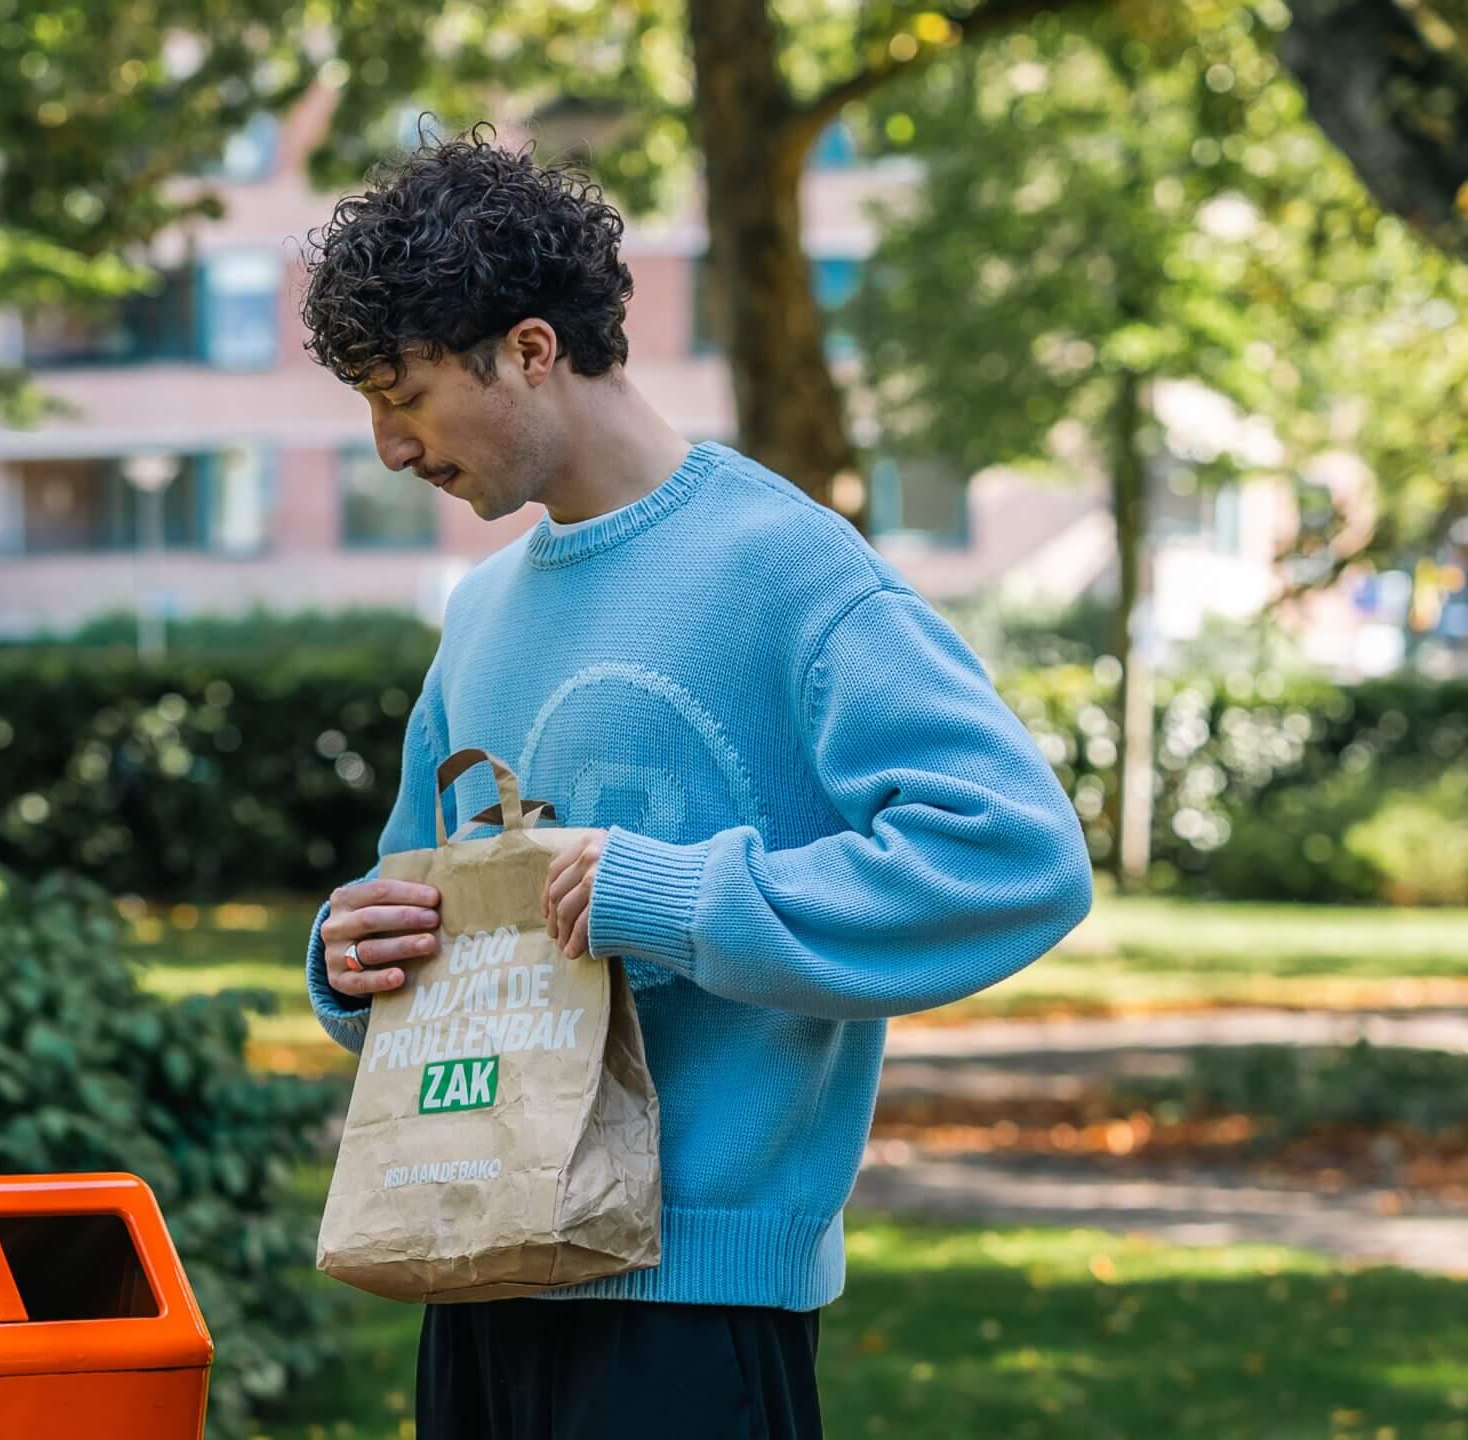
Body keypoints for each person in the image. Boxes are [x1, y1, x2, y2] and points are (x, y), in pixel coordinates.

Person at [296, 127, 1096, 1439]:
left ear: (533, 349)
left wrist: (671, 897)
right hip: (474, 1261)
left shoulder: (789, 571)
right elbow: (415, 895)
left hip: (692, 1312)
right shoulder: (482, 613)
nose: (391, 447)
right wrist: (355, 950)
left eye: (407, 396)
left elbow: (1015, 857)